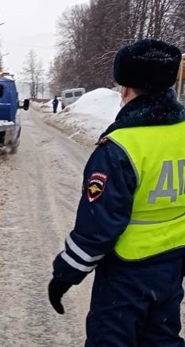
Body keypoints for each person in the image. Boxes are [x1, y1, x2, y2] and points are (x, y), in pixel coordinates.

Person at [48, 39, 185, 346]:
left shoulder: (120, 147)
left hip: (126, 273)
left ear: (126, 90)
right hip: (172, 267)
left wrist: (64, 275)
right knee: (162, 339)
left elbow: (98, 229)